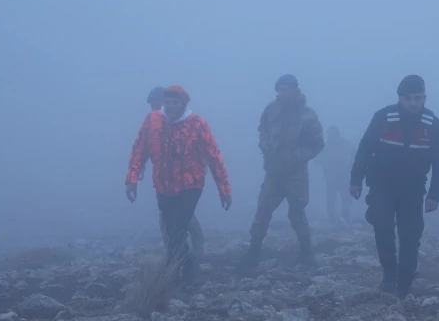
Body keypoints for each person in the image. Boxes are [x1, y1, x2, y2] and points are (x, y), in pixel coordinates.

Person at [350, 75, 439, 299]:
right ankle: (389, 274)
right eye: (409, 98)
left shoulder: (433, 124)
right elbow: (365, 149)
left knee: (411, 235)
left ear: (425, 97)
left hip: (413, 190)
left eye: (418, 98)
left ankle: (404, 282)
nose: (414, 103)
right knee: (382, 226)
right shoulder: (383, 117)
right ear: (400, 98)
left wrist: (435, 194)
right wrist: (355, 179)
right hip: (381, 186)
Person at [126, 86, 233, 284]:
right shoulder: (153, 121)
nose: (171, 106)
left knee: (178, 228)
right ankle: (182, 263)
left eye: (175, 102)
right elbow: (139, 149)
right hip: (163, 185)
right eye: (168, 102)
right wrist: (131, 179)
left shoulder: (198, 124)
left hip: (191, 185)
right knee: (171, 228)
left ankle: (186, 271)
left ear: (184, 104)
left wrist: (224, 190)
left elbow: (214, 157)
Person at [237, 74, 325, 269]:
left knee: (296, 213)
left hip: (296, 175)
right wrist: (264, 143)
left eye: (285, 89)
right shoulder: (271, 109)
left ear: (295, 90)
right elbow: (263, 129)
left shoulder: (307, 115)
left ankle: (306, 254)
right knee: (262, 211)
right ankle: (252, 254)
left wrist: (296, 157)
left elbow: (317, 144)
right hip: (273, 173)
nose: (280, 94)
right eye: (278, 90)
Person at [142, 86, 206, 261]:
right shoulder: (156, 123)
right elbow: (147, 146)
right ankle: (182, 253)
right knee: (175, 219)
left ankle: (181, 255)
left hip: (185, 182)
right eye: (152, 106)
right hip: (166, 182)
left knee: (177, 220)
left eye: (157, 105)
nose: (155, 110)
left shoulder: (186, 123)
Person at [315, 125, 355, 225]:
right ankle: (332, 218)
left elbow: (354, 154)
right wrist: (326, 162)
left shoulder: (345, 144)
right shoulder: (325, 146)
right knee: (331, 198)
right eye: (329, 134)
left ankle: (345, 216)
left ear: (337, 134)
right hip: (331, 176)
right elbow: (317, 159)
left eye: (332, 133)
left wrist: (349, 165)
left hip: (343, 175)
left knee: (346, 196)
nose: (330, 136)